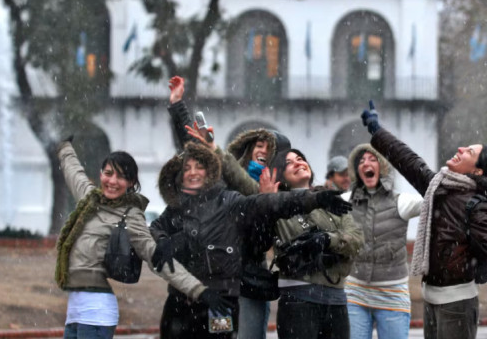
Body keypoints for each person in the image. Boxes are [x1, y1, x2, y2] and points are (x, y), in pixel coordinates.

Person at [361, 101, 487, 339]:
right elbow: (408, 159)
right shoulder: (439, 187)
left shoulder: (476, 208)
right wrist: (377, 130)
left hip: (457, 305)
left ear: (477, 172)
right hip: (431, 298)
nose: (461, 149)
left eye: (470, 152)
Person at [151, 140, 351, 339]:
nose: (193, 173)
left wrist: (314, 199)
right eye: (187, 169)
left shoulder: (229, 201)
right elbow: (154, 230)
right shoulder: (174, 210)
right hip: (179, 302)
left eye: (199, 167)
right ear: (179, 176)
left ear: (210, 172)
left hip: (220, 301)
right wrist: (163, 240)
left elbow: (271, 202)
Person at [167, 75, 290, 339]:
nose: (263, 151)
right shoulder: (223, 174)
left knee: (246, 335)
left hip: (250, 280)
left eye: (270, 149)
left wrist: (268, 201)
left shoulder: (280, 189)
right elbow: (196, 147)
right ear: (247, 147)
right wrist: (178, 106)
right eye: (259, 144)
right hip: (219, 277)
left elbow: (265, 233)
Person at [55, 139, 205, 339]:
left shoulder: (130, 215)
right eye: (108, 174)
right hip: (74, 313)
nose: (113, 181)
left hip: (96, 315)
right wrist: (64, 144)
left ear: (132, 182)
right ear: (100, 175)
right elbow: (73, 171)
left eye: (121, 177)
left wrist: (198, 290)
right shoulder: (89, 200)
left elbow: (156, 256)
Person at [268, 148, 365, 339]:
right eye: (289, 163)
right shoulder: (275, 204)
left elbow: (357, 239)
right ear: (279, 175)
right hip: (298, 299)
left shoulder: (330, 200)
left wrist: (328, 239)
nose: (298, 163)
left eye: (300, 158)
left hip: (336, 299)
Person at [341, 144, 423, 339]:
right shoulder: (345, 202)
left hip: (392, 293)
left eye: (372, 159)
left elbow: (436, 198)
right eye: (361, 161)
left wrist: (482, 184)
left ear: (383, 166)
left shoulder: (401, 202)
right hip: (355, 291)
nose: (366, 164)